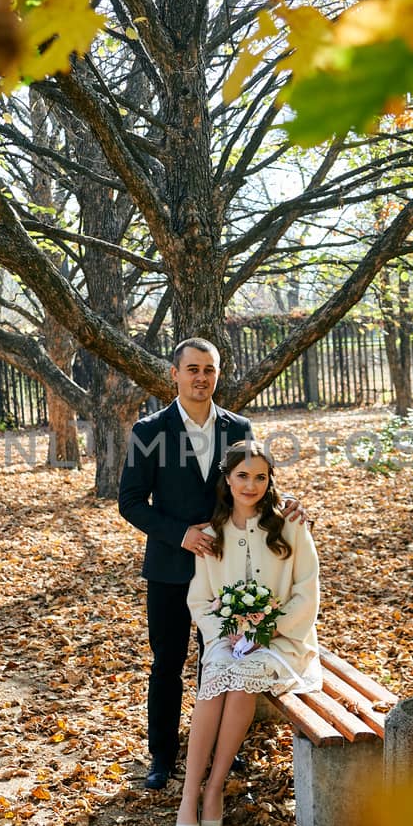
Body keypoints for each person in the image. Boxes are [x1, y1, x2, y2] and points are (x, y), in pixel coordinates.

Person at [118, 338, 251, 789]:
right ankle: (162, 757)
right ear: (174, 374)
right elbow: (130, 502)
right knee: (168, 662)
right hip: (170, 568)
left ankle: (216, 750)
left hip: (225, 568)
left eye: (209, 370)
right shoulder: (149, 430)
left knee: (220, 661)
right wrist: (182, 534)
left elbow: (255, 491)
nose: (201, 377)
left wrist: (286, 507)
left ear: (218, 374)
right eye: (192, 369)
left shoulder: (239, 428)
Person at [175, 442, 321, 826]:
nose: (251, 484)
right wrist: (227, 631)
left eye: (260, 477)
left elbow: (308, 591)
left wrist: (267, 628)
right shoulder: (210, 535)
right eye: (242, 475)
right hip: (227, 637)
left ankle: (215, 789)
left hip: (283, 640)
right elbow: (201, 601)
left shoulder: (289, 526)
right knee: (216, 677)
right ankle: (190, 793)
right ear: (227, 478)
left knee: (240, 687)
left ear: (270, 480)